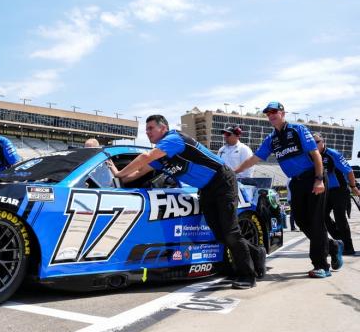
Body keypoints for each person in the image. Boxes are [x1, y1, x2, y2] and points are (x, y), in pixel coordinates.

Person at [111, 115, 265, 289]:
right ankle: (257, 252)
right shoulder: (160, 158)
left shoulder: (173, 139)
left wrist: (119, 174)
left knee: (230, 231)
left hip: (223, 181)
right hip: (206, 188)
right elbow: (138, 173)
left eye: (151, 128)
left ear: (163, 128)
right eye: (146, 130)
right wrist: (118, 174)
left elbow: (145, 157)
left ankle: (247, 276)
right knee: (221, 234)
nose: (147, 132)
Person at [235, 101, 343, 278]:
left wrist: (318, 179)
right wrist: (234, 171)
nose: (271, 115)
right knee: (300, 220)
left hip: (313, 177)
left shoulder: (297, 129)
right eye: (268, 113)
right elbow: (254, 158)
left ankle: (321, 265)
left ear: (283, 113)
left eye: (274, 112)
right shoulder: (271, 139)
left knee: (316, 221)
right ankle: (332, 246)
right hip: (296, 182)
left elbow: (316, 155)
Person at [314, 132, 360, 255]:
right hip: (325, 191)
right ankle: (339, 239)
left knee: (340, 218)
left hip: (339, 190)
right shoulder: (312, 156)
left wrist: (353, 186)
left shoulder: (333, 154)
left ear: (323, 142)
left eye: (317, 141)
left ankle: (348, 247)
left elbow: (349, 171)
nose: (315, 144)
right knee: (322, 216)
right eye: (312, 142)